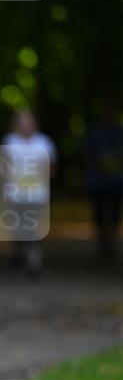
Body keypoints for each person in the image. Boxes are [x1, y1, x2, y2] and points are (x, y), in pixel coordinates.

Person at [1, 110, 57, 277]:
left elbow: (51, 169)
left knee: (32, 229)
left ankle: (34, 264)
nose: (25, 126)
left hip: (37, 195)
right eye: (21, 123)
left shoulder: (45, 143)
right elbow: (3, 167)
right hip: (15, 194)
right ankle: (19, 255)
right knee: (18, 228)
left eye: (28, 122)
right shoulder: (9, 142)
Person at [83, 102, 123, 261]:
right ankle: (102, 240)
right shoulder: (94, 131)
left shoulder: (119, 132)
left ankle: (111, 240)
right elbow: (86, 153)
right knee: (98, 212)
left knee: (115, 212)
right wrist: (99, 164)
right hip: (97, 180)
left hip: (116, 180)